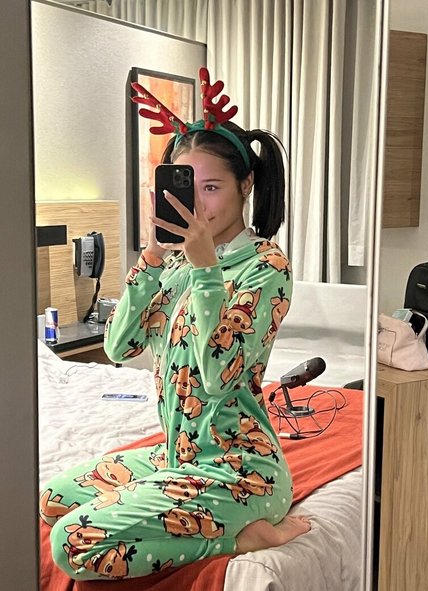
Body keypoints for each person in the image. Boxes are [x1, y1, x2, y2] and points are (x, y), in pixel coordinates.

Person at [39, 67, 310, 581]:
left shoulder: (266, 267)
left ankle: (243, 534)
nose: (199, 205)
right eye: (189, 189)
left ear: (246, 185)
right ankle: (178, 509)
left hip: (238, 469)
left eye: (212, 187)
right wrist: (152, 258)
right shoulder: (177, 264)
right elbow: (119, 347)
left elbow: (219, 376)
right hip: (176, 458)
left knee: (72, 542)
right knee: (53, 500)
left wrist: (206, 269)